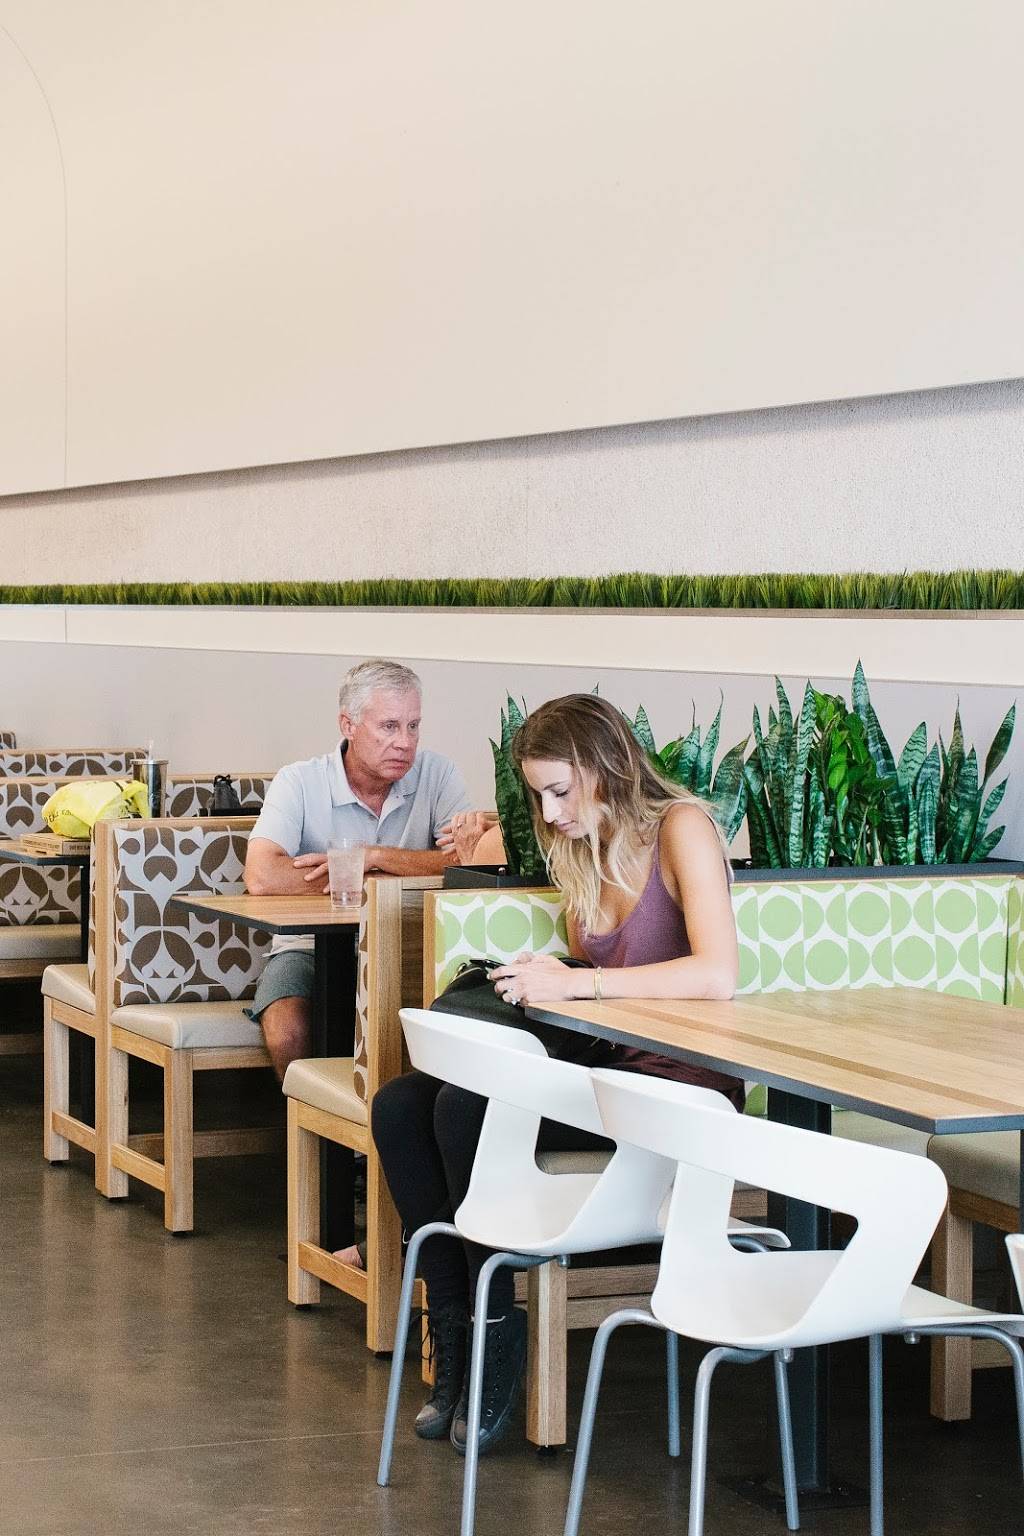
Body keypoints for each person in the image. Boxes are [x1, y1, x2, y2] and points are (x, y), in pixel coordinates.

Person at [371, 692, 742, 1457]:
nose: (549, 811)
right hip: (605, 1073)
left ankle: (496, 1328)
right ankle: (456, 1325)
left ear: (607, 767)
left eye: (560, 791)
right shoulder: (579, 845)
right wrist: (543, 975)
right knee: (400, 1106)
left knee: (464, 1110)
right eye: (538, 794)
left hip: (675, 1092)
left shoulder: (682, 828)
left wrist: (581, 983)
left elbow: (717, 975)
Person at [245, 657, 480, 1080]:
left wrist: (373, 857)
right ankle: (312, 1123)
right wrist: (377, 876)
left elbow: (465, 862)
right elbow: (262, 875)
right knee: (287, 1029)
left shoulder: (438, 774)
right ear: (348, 725)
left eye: (413, 726)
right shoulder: (299, 781)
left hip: (409, 943)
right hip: (308, 947)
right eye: (389, 726)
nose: (405, 742)